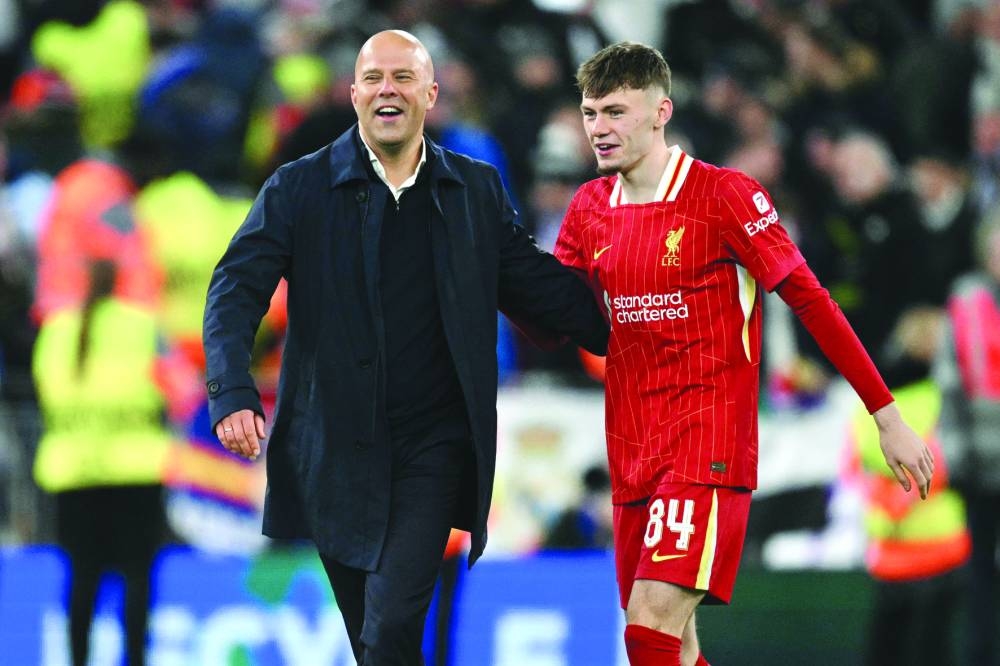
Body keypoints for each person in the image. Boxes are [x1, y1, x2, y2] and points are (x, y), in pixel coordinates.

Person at [202, 29, 608, 665]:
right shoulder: (297, 188)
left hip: (431, 448)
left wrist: (644, 320)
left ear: (431, 93)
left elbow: (536, 289)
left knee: (391, 628)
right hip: (331, 450)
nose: (387, 89)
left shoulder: (474, 190)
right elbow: (235, 288)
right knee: (376, 641)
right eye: (373, 78)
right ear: (355, 94)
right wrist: (231, 388)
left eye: (402, 77)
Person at [553, 41, 934, 666]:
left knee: (647, 631)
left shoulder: (724, 196)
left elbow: (811, 300)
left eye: (616, 112)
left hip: (706, 445)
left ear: (661, 111)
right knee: (671, 645)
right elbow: (554, 320)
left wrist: (885, 415)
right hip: (631, 447)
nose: (600, 129)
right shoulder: (589, 209)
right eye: (591, 113)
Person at [32, 257, 171, 666]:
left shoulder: (57, 328)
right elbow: (177, 389)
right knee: (137, 582)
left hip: (74, 475)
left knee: (82, 582)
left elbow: (45, 389)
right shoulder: (144, 324)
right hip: (135, 473)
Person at [934, 205, 1000, 666]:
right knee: (980, 581)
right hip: (980, 468)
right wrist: (956, 460)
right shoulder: (966, 299)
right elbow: (949, 385)